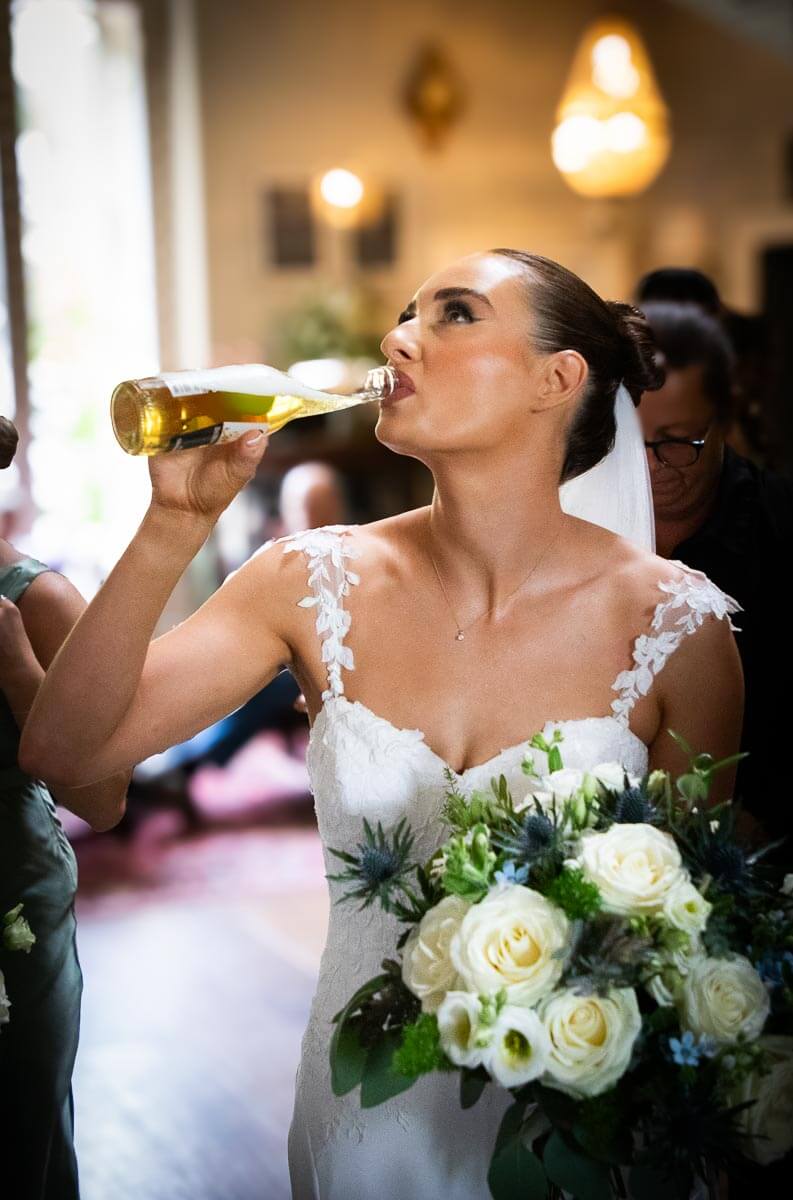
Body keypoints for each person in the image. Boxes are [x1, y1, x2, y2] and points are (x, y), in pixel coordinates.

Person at [20, 251, 744, 1200]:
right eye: (406, 314)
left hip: (581, 1131)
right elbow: (65, 753)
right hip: (364, 1118)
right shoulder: (305, 581)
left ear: (556, 379)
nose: (397, 338)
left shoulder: (676, 630)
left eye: (454, 314)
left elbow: (688, 941)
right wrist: (173, 522)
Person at [0, 416, 129, 1199]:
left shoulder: (41, 600)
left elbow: (104, 799)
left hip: (10, 896)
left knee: (20, 1132)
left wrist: (17, 666)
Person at [638, 299, 793, 843]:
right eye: (633, 442)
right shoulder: (575, 519)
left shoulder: (780, 527)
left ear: (724, 419)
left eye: (677, 441)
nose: (651, 464)